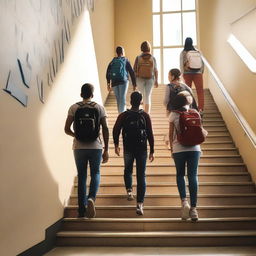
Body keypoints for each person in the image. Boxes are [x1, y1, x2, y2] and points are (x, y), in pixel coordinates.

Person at [64, 83, 109, 218]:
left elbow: (66, 129)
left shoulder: (74, 107)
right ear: (92, 94)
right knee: (95, 172)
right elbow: (105, 129)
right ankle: (91, 198)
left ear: (81, 94)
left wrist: (76, 136)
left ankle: (81, 210)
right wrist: (106, 149)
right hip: (96, 147)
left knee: (82, 176)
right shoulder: (99, 108)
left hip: (79, 147)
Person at [113, 91, 154, 215]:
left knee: (128, 170)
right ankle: (139, 204)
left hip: (128, 148)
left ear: (130, 101)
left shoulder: (124, 115)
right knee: (141, 175)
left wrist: (116, 145)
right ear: (141, 101)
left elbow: (115, 130)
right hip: (142, 149)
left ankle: (129, 191)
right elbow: (150, 134)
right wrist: (152, 150)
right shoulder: (145, 115)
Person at [169, 91, 202, 222]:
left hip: (179, 148)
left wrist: (171, 150)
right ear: (186, 101)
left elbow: (171, 134)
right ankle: (194, 209)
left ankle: (184, 202)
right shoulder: (195, 112)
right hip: (195, 148)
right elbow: (200, 131)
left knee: (180, 175)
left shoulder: (173, 114)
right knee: (193, 176)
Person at [106, 46, 137, 113]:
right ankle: (122, 115)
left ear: (116, 52)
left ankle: (120, 115)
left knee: (118, 99)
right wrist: (134, 84)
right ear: (123, 52)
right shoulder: (125, 60)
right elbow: (131, 72)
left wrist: (108, 83)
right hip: (124, 81)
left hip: (114, 82)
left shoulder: (112, 61)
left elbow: (108, 72)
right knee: (122, 98)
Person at [180, 37, 204, 115]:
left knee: (188, 92)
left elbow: (181, 64)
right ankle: (201, 109)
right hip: (198, 73)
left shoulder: (183, 52)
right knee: (200, 91)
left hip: (187, 73)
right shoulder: (197, 51)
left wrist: (182, 73)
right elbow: (202, 63)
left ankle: (188, 108)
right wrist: (201, 72)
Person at [133, 41, 158, 113]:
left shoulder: (138, 58)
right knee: (147, 96)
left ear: (141, 48)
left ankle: (139, 112)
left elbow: (134, 70)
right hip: (150, 79)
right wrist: (156, 80)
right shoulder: (152, 58)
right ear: (149, 48)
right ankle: (147, 115)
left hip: (139, 78)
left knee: (140, 95)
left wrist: (134, 83)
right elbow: (156, 70)